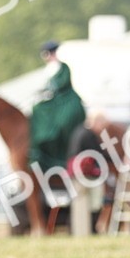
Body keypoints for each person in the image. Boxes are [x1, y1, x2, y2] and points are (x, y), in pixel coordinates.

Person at [29, 41, 87, 173]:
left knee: (64, 121)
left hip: (67, 101)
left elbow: (62, 84)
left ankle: (65, 153)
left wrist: (51, 90)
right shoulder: (48, 70)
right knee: (37, 108)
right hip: (54, 101)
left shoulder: (63, 67)